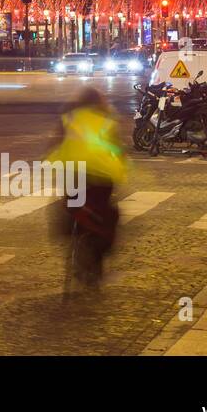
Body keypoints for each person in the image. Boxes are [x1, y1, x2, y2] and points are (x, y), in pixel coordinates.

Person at [46, 88, 128, 286]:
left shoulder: (68, 119)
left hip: (73, 174)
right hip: (101, 178)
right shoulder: (108, 121)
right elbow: (118, 149)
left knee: (71, 205)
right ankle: (98, 247)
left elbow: (53, 145)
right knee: (107, 215)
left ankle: (71, 233)